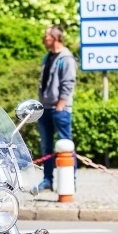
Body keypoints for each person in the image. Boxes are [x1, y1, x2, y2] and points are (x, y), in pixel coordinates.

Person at [36, 25, 76, 192]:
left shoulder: (66, 58)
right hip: (45, 108)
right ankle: (47, 180)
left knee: (65, 145)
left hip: (60, 109)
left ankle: (70, 181)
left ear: (56, 38)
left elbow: (68, 83)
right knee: (46, 147)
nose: (44, 39)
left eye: (47, 36)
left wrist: (60, 105)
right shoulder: (48, 57)